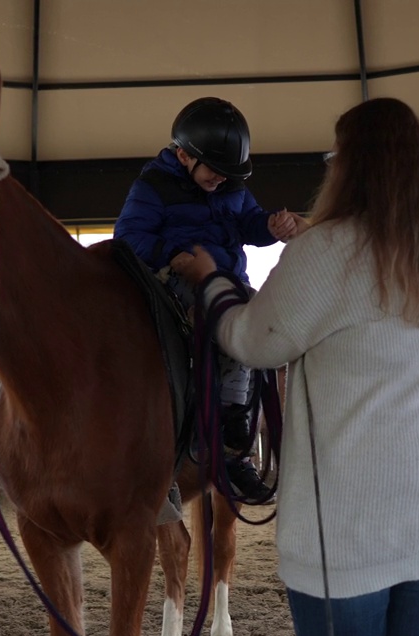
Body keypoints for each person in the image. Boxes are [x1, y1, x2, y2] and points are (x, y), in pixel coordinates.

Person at [174, 97, 419, 636]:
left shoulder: (328, 249)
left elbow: (252, 341)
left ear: (350, 166)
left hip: (353, 507)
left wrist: (211, 277)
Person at [115, 96, 301, 508]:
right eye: (215, 171)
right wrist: (169, 254)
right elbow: (127, 238)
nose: (221, 179)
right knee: (228, 321)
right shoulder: (152, 187)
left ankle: (235, 447)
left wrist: (271, 225)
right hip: (175, 280)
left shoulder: (231, 184)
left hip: (227, 283)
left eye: (228, 173)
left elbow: (249, 222)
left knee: (261, 326)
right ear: (183, 155)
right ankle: (202, 441)